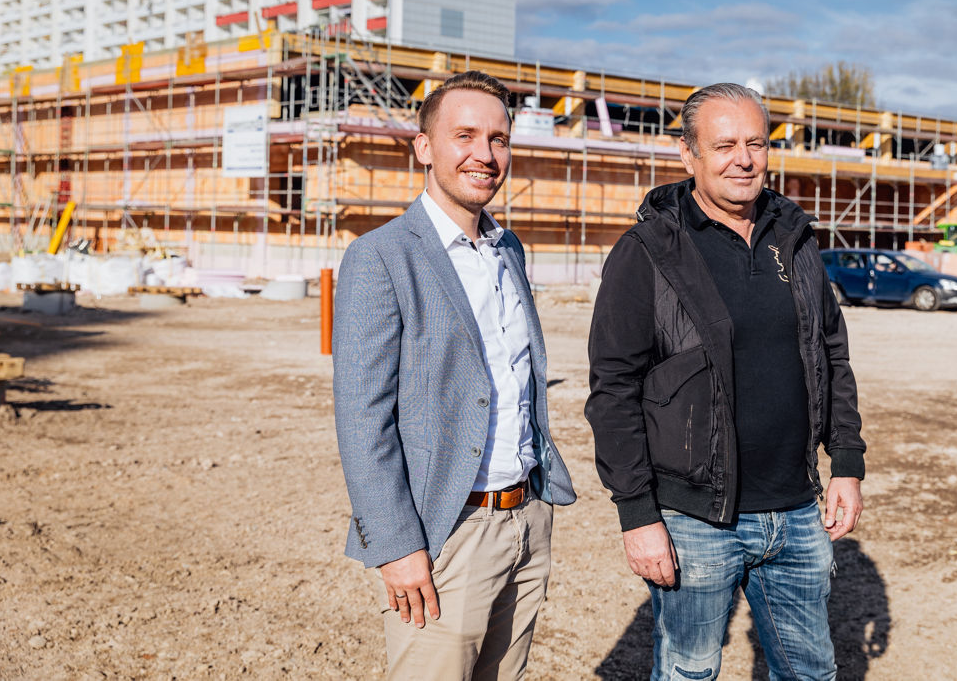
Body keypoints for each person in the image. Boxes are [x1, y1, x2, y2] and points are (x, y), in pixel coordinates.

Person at [585, 82, 865, 680]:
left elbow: (831, 354)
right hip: (695, 518)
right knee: (688, 672)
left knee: (811, 672)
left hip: (795, 509)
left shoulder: (795, 238)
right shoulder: (648, 251)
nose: (744, 158)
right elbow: (613, 390)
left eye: (756, 144)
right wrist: (638, 514)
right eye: (725, 145)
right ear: (689, 156)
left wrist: (846, 461)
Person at [333, 70, 575, 680]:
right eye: (464, 135)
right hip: (445, 533)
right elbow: (363, 418)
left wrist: (536, 510)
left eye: (498, 138)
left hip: (526, 520)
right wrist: (398, 547)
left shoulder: (508, 250)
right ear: (424, 147)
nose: (484, 154)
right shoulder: (380, 257)